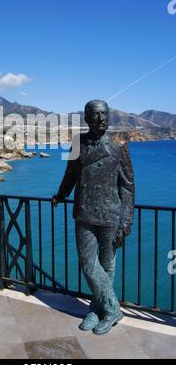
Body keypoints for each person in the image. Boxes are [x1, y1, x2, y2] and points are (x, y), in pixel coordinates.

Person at [53, 100, 134, 335]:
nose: (102, 119)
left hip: (111, 215)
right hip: (84, 212)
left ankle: (97, 309)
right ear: (87, 118)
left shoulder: (118, 145)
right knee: (89, 264)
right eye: (96, 115)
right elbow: (70, 174)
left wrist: (127, 220)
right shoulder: (78, 142)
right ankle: (112, 309)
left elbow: (127, 187)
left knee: (107, 266)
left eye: (105, 114)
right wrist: (60, 195)